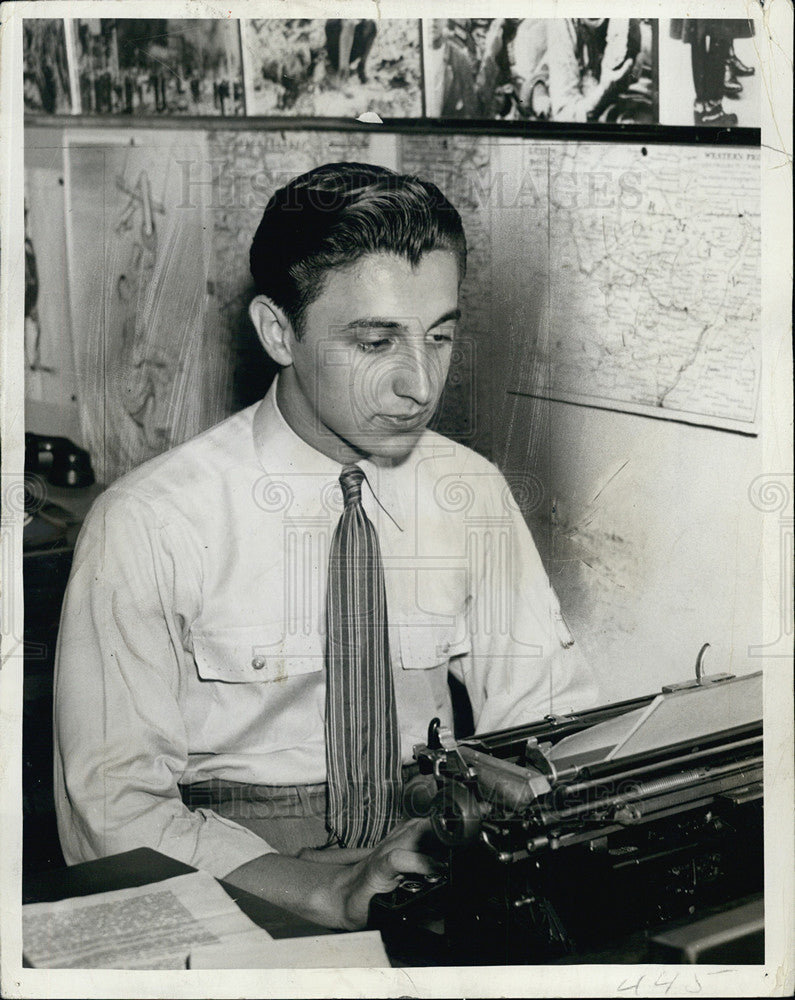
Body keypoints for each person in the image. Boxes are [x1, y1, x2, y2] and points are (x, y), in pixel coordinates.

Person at [53, 162, 598, 931]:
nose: (419, 384)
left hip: (432, 859)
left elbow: (553, 722)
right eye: (376, 340)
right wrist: (320, 891)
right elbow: (107, 817)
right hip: (233, 884)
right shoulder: (148, 523)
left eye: (438, 336)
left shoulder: (468, 490)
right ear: (279, 331)